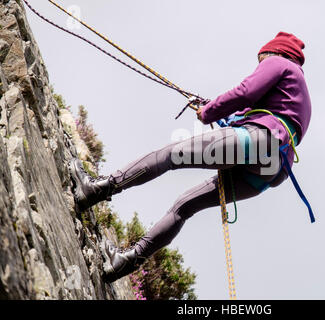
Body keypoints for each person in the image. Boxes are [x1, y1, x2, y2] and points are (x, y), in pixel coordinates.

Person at [69, 31, 312, 283]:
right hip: (270, 169)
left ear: (270, 52)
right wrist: (214, 109)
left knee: (170, 155)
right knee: (185, 206)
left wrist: (208, 112)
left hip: (261, 141)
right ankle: (125, 262)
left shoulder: (279, 62)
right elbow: (257, 116)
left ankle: (97, 188)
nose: (260, 65)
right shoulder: (298, 94)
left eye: (260, 60)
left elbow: (245, 93)